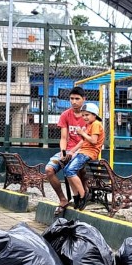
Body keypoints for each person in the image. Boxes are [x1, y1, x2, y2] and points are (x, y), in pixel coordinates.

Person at [45, 86, 87, 214]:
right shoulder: (65, 115)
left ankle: (81, 196)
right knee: (49, 170)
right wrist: (63, 152)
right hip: (68, 151)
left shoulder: (88, 116)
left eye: (77, 99)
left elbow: (86, 140)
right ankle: (63, 200)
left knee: (73, 165)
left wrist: (72, 152)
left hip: (83, 151)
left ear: (84, 99)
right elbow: (63, 138)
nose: (74, 101)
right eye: (71, 99)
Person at [66, 102, 105, 211]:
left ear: (94, 115)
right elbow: (84, 142)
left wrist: (82, 133)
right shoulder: (89, 125)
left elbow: (93, 141)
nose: (84, 117)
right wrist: (72, 151)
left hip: (89, 152)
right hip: (83, 151)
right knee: (66, 171)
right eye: (83, 115)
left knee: (70, 171)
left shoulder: (96, 124)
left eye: (87, 115)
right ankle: (76, 196)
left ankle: (83, 196)